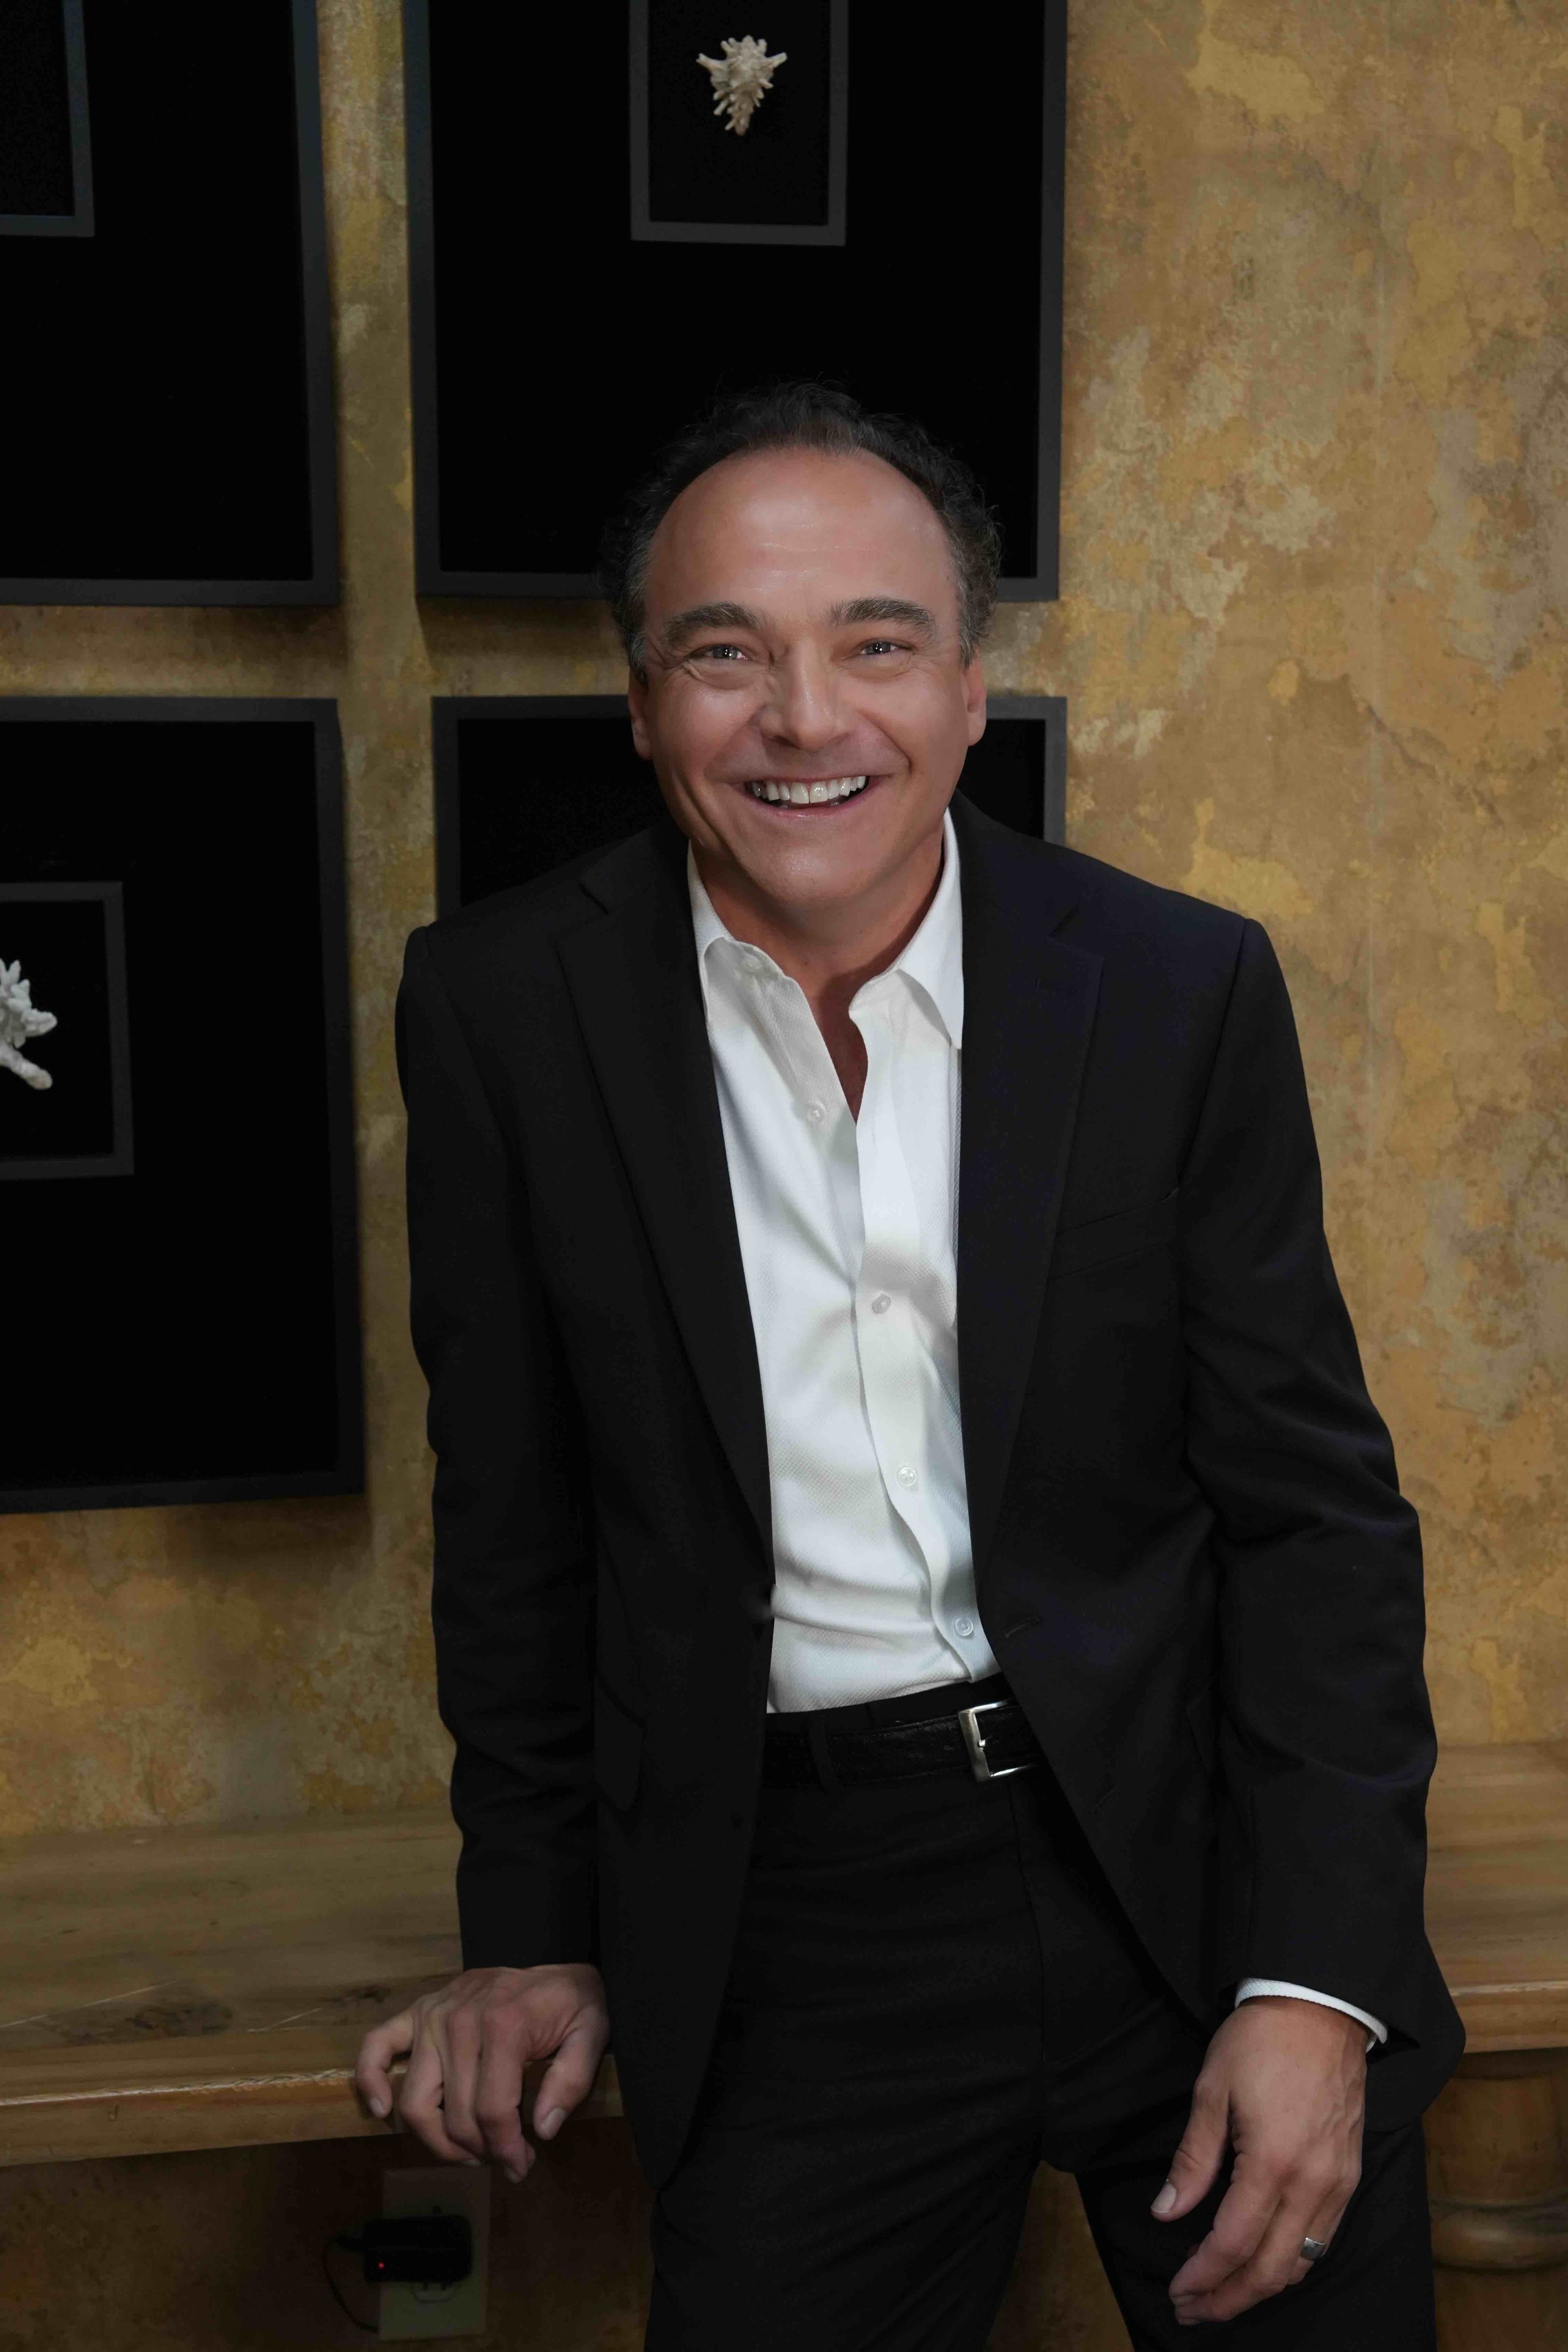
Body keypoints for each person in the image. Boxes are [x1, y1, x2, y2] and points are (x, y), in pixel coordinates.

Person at [358, 382, 1461, 2348]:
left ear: (966, 690)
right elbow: (513, 1520)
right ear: (641, 704)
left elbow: (1312, 1523)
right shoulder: (503, 1009)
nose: (804, 719)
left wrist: (1313, 1982)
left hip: (1185, 1865)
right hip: (793, 1908)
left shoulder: (1176, 988)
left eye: (875, 645)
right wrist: (527, 1936)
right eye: (726, 654)